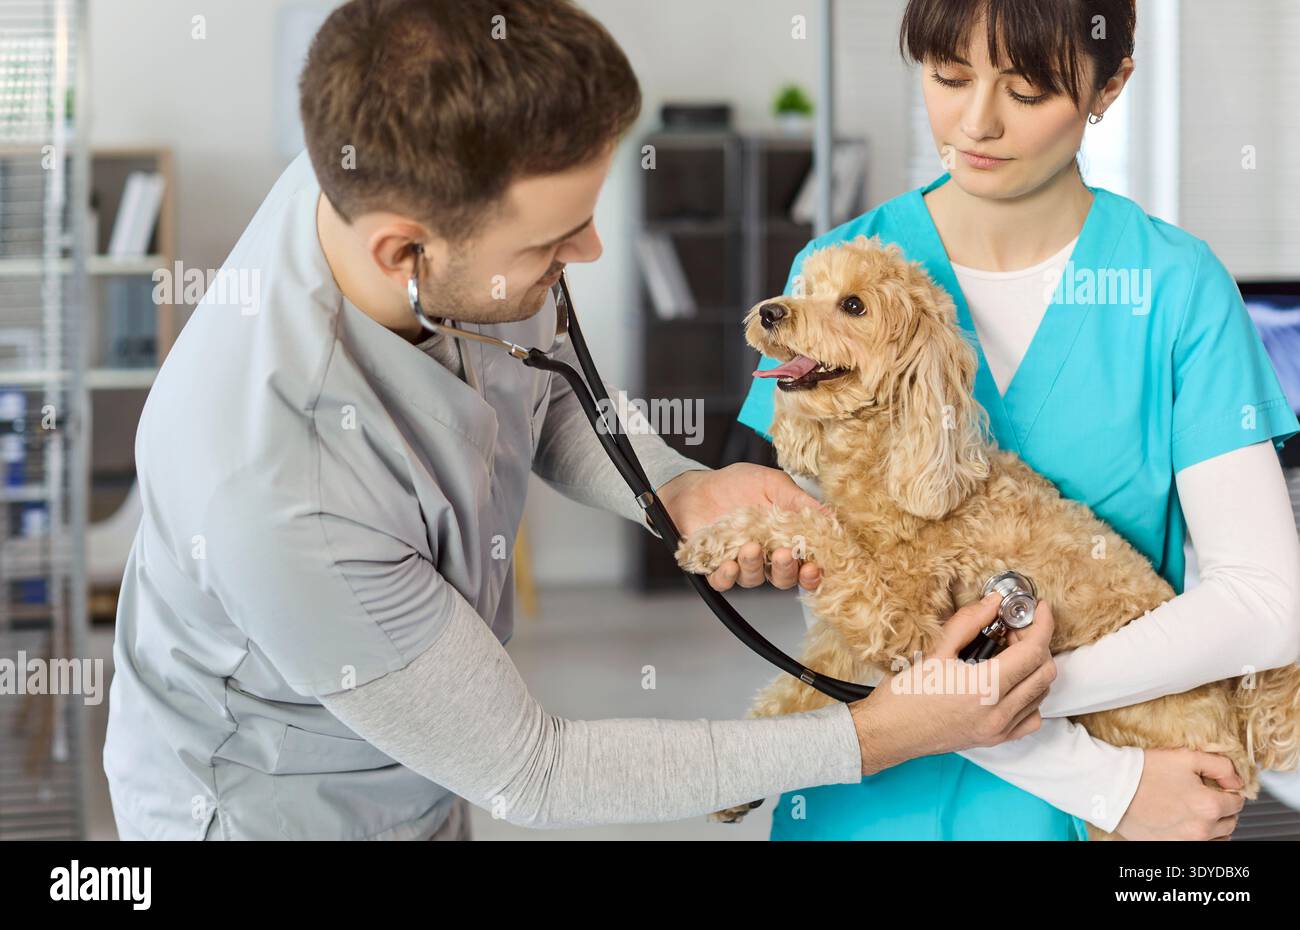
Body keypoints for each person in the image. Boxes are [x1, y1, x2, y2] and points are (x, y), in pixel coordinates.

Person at [101, 0, 1058, 841]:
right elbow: (534, 769)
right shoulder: (276, 491)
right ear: (404, 252)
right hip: (275, 810)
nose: (593, 251)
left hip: (427, 777)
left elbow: (542, 383)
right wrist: (886, 731)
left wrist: (675, 489)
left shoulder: (412, 184)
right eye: (554, 242)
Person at [738, 0, 1300, 841]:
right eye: (947, 77)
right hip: (870, 805)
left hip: (1101, 814)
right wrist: (1097, 779)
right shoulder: (838, 277)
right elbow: (854, 607)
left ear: (1110, 84)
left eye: (1027, 92)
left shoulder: (1177, 288)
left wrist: (1015, 706)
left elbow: (1261, 602)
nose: (976, 122)